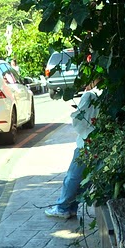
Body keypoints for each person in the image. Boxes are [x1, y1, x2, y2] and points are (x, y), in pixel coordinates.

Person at [45, 83, 101, 219]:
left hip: (86, 142)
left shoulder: (90, 95)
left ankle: (62, 207)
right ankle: (72, 207)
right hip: (100, 143)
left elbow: (78, 119)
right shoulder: (107, 93)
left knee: (73, 177)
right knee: (85, 179)